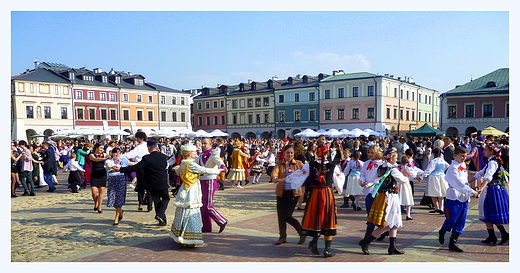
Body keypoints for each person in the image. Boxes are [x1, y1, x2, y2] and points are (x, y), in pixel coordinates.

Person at [286, 143, 345, 258]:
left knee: (315, 218)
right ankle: (327, 249)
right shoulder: (333, 166)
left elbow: (298, 175)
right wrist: (340, 190)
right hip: (327, 195)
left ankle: (314, 242)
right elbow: (339, 180)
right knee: (328, 219)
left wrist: (285, 179)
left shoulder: (310, 165)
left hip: (315, 195)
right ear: (327, 154)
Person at [169, 144, 224, 246]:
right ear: (190, 153)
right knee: (191, 211)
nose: (196, 153)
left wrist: (175, 169)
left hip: (184, 188)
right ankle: (189, 237)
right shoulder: (191, 164)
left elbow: (177, 171)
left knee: (183, 211)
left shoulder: (183, 163)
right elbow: (204, 170)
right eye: (194, 152)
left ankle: (180, 234)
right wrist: (219, 170)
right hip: (192, 189)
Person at [358, 148, 409, 255]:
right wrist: (405, 174)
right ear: (392, 158)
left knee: (393, 222)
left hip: (382, 194)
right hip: (388, 196)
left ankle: (392, 246)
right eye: (395, 157)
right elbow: (403, 180)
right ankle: (366, 241)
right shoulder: (392, 169)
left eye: (372, 152)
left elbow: (376, 179)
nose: (397, 159)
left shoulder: (382, 167)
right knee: (386, 222)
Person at [115, 140, 171, 226]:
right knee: (165, 199)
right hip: (161, 181)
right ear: (156, 147)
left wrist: (121, 169)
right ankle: (160, 216)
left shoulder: (146, 158)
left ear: (149, 148)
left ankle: (161, 217)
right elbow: (165, 166)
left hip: (151, 182)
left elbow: (136, 167)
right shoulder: (163, 157)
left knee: (156, 200)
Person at [438, 147, 478, 252]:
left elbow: (464, 181)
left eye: (465, 156)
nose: (464, 158)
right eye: (461, 156)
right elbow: (457, 183)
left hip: (464, 196)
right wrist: (471, 191)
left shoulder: (463, 165)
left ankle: (453, 242)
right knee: (452, 219)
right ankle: (443, 230)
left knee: (461, 221)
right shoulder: (452, 168)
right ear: (455, 155)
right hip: (454, 195)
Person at [472, 141, 509, 245]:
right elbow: (480, 173)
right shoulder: (492, 161)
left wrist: (481, 188)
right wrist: (465, 183)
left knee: (491, 212)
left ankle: (503, 234)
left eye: (486, 150)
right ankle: (493, 236)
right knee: (487, 212)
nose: (484, 151)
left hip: (493, 190)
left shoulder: (493, 162)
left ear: (492, 151)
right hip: (493, 189)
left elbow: (488, 176)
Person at [270, 144, 307, 246]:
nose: (289, 154)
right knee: (281, 216)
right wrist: (274, 178)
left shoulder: (298, 164)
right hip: (281, 192)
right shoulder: (279, 164)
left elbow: (305, 172)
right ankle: (282, 237)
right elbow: (275, 173)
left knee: (287, 216)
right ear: (284, 153)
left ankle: (302, 232)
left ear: (294, 154)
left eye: (291, 153)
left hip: (293, 193)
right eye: (287, 152)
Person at [197, 138, 229, 233]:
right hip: (202, 180)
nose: (203, 145)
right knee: (202, 206)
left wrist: (223, 167)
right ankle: (206, 226)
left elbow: (219, 161)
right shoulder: (201, 154)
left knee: (207, 206)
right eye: (202, 143)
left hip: (210, 180)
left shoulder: (213, 153)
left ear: (210, 144)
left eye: (205, 144)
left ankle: (222, 220)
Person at [358, 145, 385, 242]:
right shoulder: (366, 163)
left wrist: (369, 184)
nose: (370, 154)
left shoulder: (382, 164)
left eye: (372, 152)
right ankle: (383, 231)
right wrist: (361, 180)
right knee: (370, 213)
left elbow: (380, 178)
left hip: (377, 191)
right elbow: (362, 174)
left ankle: (367, 238)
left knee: (375, 214)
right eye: (369, 152)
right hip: (368, 191)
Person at [121, 132, 151, 211]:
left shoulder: (139, 147)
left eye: (137, 138)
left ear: (141, 138)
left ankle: (140, 203)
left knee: (140, 186)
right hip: (149, 167)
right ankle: (150, 206)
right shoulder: (149, 146)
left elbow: (128, 155)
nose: (136, 140)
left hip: (140, 166)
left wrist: (121, 157)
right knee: (148, 186)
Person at [420, 148, 449, 214]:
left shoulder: (433, 161)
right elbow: (447, 166)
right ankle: (441, 208)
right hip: (441, 176)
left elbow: (429, 170)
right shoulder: (442, 160)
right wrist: (442, 171)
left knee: (433, 192)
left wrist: (422, 176)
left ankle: (436, 207)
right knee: (441, 193)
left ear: (433, 154)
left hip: (434, 177)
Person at [105, 147, 130, 225]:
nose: (117, 154)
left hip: (121, 179)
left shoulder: (124, 161)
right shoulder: (109, 161)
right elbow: (107, 166)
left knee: (119, 198)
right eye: (115, 153)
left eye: (119, 153)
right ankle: (120, 212)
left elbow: (132, 164)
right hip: (112, 179)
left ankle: (116, 218)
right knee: (111, 198)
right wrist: (112, 167)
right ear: (112, 153)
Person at [89, 143, 108, 213]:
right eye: (100, 148)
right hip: (94, 173)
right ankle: (95, 202)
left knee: (101, 191)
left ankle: (99, 206)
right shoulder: (91, 154)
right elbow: (95, 159)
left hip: (102, 173)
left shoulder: (104, 154)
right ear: (96, 148)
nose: (101, 150)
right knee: (94, 192)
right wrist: (103, 158)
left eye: (102, 148)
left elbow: (108, 158)